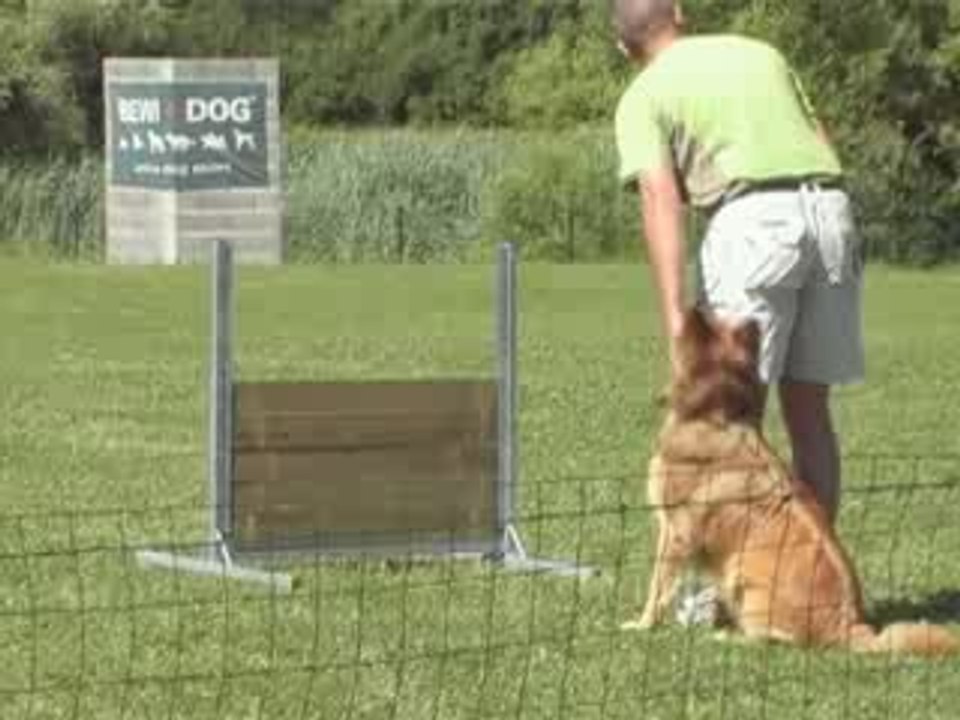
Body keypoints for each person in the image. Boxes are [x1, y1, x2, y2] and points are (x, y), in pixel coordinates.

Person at [612, 0, 865, 623]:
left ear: (624, 48)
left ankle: (755, 595)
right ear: (679, 15)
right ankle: (809, 588)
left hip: (753, 223)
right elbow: (822, 141)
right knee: (810, 414)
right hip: (829, 210)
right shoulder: (761, 53)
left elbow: (660, 196)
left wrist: (677, 314)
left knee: (729, 420)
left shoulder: (644, 94)